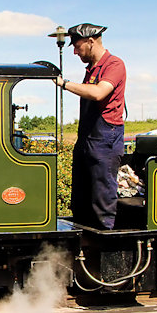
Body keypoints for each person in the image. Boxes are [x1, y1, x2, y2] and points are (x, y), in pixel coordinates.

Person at [53, 23, 126, 230]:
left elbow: (97, 93)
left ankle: (105, 248)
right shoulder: (91, 70)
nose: (75, 52)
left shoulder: (114, 65)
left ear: (91, 41)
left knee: (102, 199)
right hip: (87, 140)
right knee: (81, 199)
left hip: (105, 141)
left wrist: (63, 84)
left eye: (77, 46)